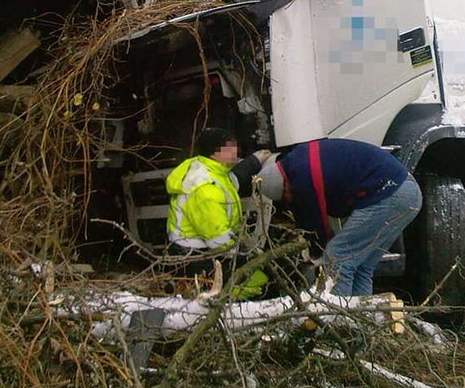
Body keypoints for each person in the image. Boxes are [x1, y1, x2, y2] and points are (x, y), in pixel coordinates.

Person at [257, 138, 421, 297]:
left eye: (286, 196)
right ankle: (363, 316)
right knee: (361, 266)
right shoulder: (300, 160)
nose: (290, 199)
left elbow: (315, 223)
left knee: (338, 256)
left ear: (285, 184)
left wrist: (315, 253)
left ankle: (339, 318)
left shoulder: (302, 175)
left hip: (389, 192)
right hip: (407, 192)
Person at [166, 127, 270, 296]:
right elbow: (218, 240)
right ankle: (228, 306)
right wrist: (250, 256)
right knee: (257, 281)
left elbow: (234, 180)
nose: (236, 150)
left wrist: (255, 161)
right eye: (230, 147)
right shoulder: (205, 189)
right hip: (195, 258)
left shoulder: (213, 172)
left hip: (201, 251)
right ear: (214, 154)